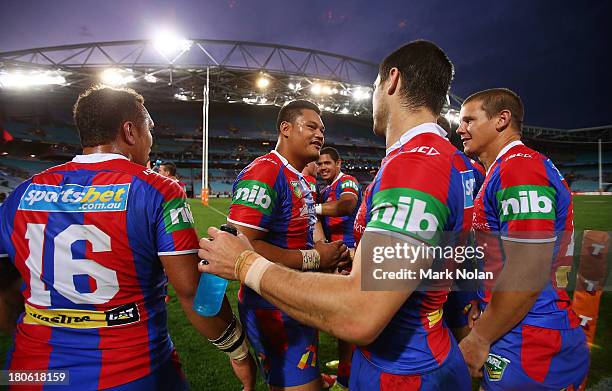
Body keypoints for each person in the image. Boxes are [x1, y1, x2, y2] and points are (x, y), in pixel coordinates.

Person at [198, 40, 474, 390]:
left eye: (374, 87)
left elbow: (361, 312)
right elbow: (457, 257)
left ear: (391, 81)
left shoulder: (414, 165)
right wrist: (363, 260)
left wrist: (243, 264)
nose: (319, 135)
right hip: (420, 351)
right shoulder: (455, 162)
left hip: (402, 369)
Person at [0, 85, 256, 390]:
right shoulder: (158, 189)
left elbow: (4, 287)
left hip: (30, 372)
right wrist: (239, 351)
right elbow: (190, 290)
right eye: (149, 129)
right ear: (130, 132)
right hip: (132, 372)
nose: (151, 139)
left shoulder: (21, 194)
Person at [456, 88, 589, 389]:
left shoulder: (520, 168)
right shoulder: (503, 169)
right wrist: (483, 300)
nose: (460, 128)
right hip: (517, 327)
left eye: (469, 120)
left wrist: (479, 337)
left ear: (502, 120)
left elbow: (527, 270)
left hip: (531, 337)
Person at [225, 99, 350, 390]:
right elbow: (238, 246)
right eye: (311, 126)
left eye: (322, 129)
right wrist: (315, 259)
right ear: (285, 129)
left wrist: (327, 256)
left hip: (293, 297)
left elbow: (301, 237)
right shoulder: (265, 172)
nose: (320, 134)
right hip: (272, 305)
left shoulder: (300, 177)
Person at [315, 146, 361, 389]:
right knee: (341, 321)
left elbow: (347, 206)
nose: (323, 167)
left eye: (327, 163)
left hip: (350, 256)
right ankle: (346, 365)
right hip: (337, 256)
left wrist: (312, 209)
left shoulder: (347, 182)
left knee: (349, 320)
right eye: (319, 164)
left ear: (338, 163)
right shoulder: (325, 189)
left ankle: (347, 378)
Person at [437, 115, 485, 342]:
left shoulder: (468, 168)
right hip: (461, 262)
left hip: (444, 263)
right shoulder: (472, 168)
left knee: (457, 330)